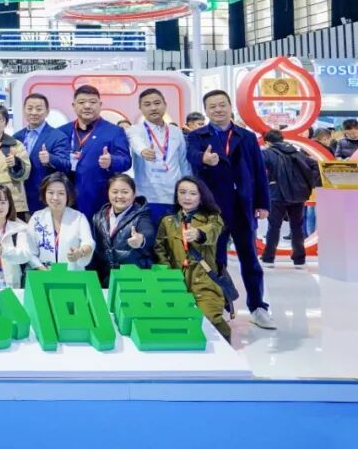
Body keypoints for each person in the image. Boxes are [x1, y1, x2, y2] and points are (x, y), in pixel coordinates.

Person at [186, 89, 274, 329]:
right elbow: (190, 155)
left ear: (229, 106)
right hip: (212, 209)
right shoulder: (197, 136)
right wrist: (203, 159)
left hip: (243, 207)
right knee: (215, 259)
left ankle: (257, 307)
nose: (218, 109)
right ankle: (220, 305)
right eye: (212, 106)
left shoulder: (246, 136)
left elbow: (259, 171)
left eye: (222, 104)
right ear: (206, 111)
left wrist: (262, 203)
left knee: (250, 259)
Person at [154, 176, 231, 341]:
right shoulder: (168, 221)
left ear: (201, 197)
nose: (187, 197)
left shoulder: (212, 218)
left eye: (193, 193)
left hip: (204, 283)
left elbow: (213, 231)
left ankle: (226, 345)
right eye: (182, 192)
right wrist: (168, 275)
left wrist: (198, 233)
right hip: (177, 284)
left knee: (208, 322)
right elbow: (160, 249)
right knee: (180, 328)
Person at [57, 85, 132, 220]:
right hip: (64, 198)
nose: (87, 106)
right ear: (74, 105)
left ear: (100, 105)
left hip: (98, 199)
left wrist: (112, 161)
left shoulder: (114, 131)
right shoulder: (61, 131)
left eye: (92, 102)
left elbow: (126, 161)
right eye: (81, 102)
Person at [126, 88, 193, 226]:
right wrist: (143, 151)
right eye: (147, 104)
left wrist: (189, 191)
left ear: (165, 105)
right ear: (140, 108)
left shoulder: (176, 131)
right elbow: (135, 141)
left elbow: (183, 163)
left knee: (175, 237)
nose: (153, 108)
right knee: (150, 235)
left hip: (175, 196)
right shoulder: (134, 130)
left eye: (157, 103)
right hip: (148, 196)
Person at [261, 130, 319, 268]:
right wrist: (310, 183)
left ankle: (269, 258)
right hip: (298, 195)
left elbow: (257, 171)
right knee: (297, 227)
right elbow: (315, 165)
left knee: (274, 227)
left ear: (267, 142)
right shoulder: (297, 153)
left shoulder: (267, 153)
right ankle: (299, 259)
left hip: (277, 195)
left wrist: (269, 181)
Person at [90, 175, 155, 288]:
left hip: (134, 280)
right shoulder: (98, 217)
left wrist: (140, 239)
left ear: (134, 194)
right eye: (115, 192)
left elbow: (148, 232)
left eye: (125, 192)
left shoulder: (142, 214)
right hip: (106, 280)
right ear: (108, 193)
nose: (119, 196)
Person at [14, 93, 71, 215]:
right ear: (24, 110)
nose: (34, 112)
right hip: (19, 199)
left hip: (43, 198)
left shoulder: (58, 136)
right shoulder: (16, 137)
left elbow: (66, 165)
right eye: (30, 108)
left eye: (39, 109)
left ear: (47, 111)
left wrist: (50, 158)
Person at [27, 173, 94, 271]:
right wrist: (43, 270)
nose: (55, 197)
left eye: (61, 193)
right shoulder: (36, 218)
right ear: (44, 193)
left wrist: (80, 252)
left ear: (68, 195)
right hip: (44, 275)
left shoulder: (78, 217)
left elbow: (89, 242)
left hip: (72, 275)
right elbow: (29, 251)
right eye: (50, 192)